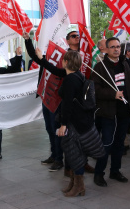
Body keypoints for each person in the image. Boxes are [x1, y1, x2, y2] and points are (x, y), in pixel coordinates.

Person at [23, 30, 95, 174]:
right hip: (50, 96)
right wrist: (28, 40)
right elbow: (43, 62)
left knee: (70, 136)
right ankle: (57, 157)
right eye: (74, 36)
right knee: (52, 129)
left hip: (69, 105)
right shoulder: (59, 56)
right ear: (67, 40)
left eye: (79, 37)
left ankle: (76, 166)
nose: (78, 38)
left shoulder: (86, 56)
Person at [91, 37, 130, 187]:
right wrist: (113, 94)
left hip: (123, 112)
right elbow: (95, 90)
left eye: (118, 46)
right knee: (107, 144)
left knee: (119, 143)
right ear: (106, 49)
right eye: (112, 47)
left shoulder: (125, 63)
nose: (116, 49)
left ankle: (115, 171)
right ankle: (99, 173)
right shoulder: (100, 67)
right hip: (108, 113)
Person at [57, 50, 104, 197]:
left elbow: (68, 104)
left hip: (74, 124)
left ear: (65, 62)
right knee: (75, 154)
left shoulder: (70, 79)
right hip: (81, 121)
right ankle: (74, 183)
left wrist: (63, 124)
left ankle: (79, 186)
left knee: (75, 154)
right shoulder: (78, 75)